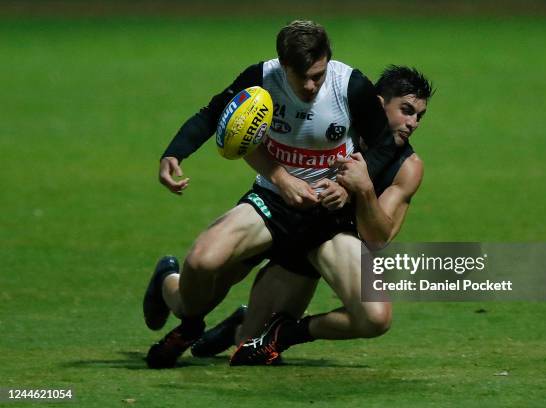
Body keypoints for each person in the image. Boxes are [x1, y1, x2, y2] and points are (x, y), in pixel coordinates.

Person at [144, 20, 399, 369]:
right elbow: (212, 115)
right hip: (271, 204)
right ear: (283, 65)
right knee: (202, 263)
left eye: (318, 75)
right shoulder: (262, 78)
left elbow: (385, 146)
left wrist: (344, 186)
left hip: (327, 220)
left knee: (375, 317)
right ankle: (175, 299)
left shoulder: (349, 85)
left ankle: (275, 330)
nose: (311, 86)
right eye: (302, 77)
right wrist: (174, 154)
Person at [191, 65, 434, 365]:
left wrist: (365, 189)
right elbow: (256, 140)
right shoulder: (335, 120)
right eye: (406, 110)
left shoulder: (408, 167)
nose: (413, 123)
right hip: (274, 215)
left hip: (317, 245)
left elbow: (378, 238)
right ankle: (173, 292)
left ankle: (276, 331)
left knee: (249, 351)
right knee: (207, 280)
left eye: (419, 116)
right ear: (378, 104)